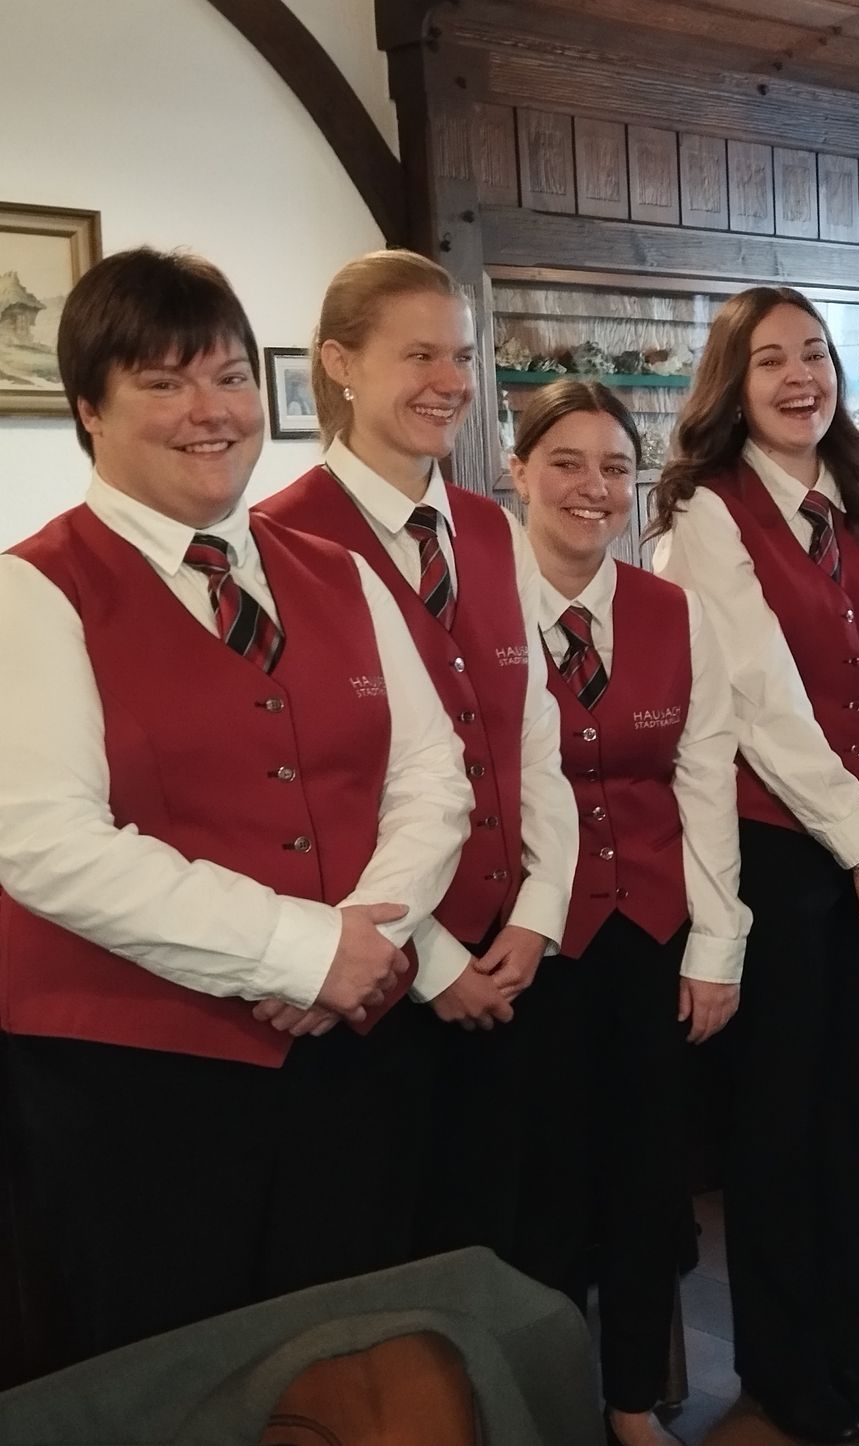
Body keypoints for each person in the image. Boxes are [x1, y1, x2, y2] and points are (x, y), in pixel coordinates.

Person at [0, 248, 470, 1370]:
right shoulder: (31, 589)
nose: (209, 412)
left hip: (353, 1060)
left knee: (350, 1354)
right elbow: (47, 844)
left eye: (227, 377)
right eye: (162, 383)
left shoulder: (341, 575)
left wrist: (369, 937)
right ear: (89, 410)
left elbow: (431, 778)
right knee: (177, 1374)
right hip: (136, 1089)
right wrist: (303, 952)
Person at [652, 285, 859, 1443]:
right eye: (770, 359)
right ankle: (783, 1369)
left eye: (816, 354)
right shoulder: (707, 516)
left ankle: (844, 1348)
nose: (799, 377)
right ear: (734, 382)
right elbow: (756, 702)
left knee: (856, 1119)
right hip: (785, 858)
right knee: (781, 1127)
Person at [255, 249, 578, 1259]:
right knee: (386, 1254)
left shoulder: (489, 529)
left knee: (511, 1236)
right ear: (341, 364)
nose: (449, 381)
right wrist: (432, 962)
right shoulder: (278, 540)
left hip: (511, 958)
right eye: (419, 355)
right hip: (380, 979)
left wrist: (535, 913)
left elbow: (534, 729)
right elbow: (319, 783)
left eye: (464, 356)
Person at [501, 381, 751, 1445]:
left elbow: (706, 785)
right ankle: (548, 1401)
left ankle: (631, 1398)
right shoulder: (472, 605)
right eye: (566, 462)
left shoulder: (671, 612)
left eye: (614, 467)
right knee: (544, 1188)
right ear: (517, 472)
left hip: (648, 935)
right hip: (528, 943)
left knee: (651, 1189)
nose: (592, 488)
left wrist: (718, 943)